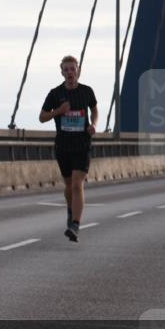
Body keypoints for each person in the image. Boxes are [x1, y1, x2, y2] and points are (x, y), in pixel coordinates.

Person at [39, 55, 98, 242]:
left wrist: (94, 124)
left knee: (76, 184)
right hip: (63, 146)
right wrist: (58, 111)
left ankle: (75, 225)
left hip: (82, 144)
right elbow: (42, 117)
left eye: (73, 69)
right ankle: (71, 210)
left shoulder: (87, 91)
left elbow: (94, 109)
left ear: (78, 70)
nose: (70, 73)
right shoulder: (55, 94)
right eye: (66, 70)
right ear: (62, 72)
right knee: (68, 186)